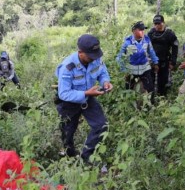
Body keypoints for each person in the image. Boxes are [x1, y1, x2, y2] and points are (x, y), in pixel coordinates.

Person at [56, 34, 113, 163]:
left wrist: (105, 82)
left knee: (101, 125)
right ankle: (69, 158)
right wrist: (86, 93)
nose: (93, 59)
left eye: (95, 56)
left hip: (88, 99)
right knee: (68, 133)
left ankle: (86, 156)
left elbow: (103, 72)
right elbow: (63, 94)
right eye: (90, 56)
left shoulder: (96, 58)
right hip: (69, 103)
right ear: (80, 52)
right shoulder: (68, 67)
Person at [116, 21, 159, 93]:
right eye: (140, 30)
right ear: (134, 31)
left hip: (145, 69)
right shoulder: (127, 42)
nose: (142, 32)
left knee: (150, 89)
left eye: (143, 30)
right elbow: (119, 57)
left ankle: (151, 103)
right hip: (131, 71)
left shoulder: (147, 40)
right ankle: (128, 103)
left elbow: (151, 52)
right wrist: (124, 70)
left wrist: (156, 62)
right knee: (128, 89)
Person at [148, 15, 179, 96]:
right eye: (155, 24)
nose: (157, 26)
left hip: (164, 61)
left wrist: (173, 62)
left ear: (163, 23)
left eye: (159, 23)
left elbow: (175, 48)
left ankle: (162, 100)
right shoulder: (151, 33)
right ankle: (150, 101)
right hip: (152, 62)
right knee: (150, 83)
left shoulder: (169, 34)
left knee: (162, 83)